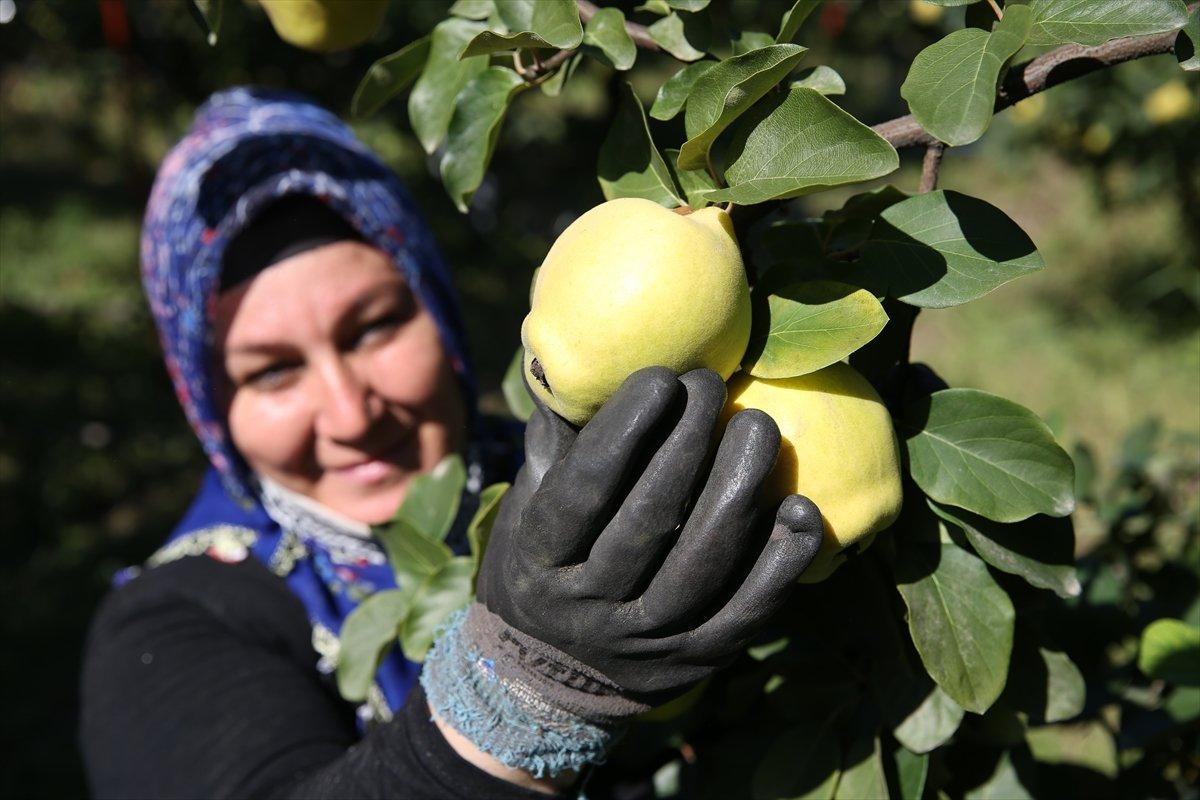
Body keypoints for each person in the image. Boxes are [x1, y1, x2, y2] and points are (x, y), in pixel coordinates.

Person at [79, 88, 826, 799]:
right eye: (272, 372)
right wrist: (528, 692)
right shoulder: (175, 624)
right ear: (208, 401)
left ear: (435, 304)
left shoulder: (611, 475)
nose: (349, 414)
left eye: (372, 328)